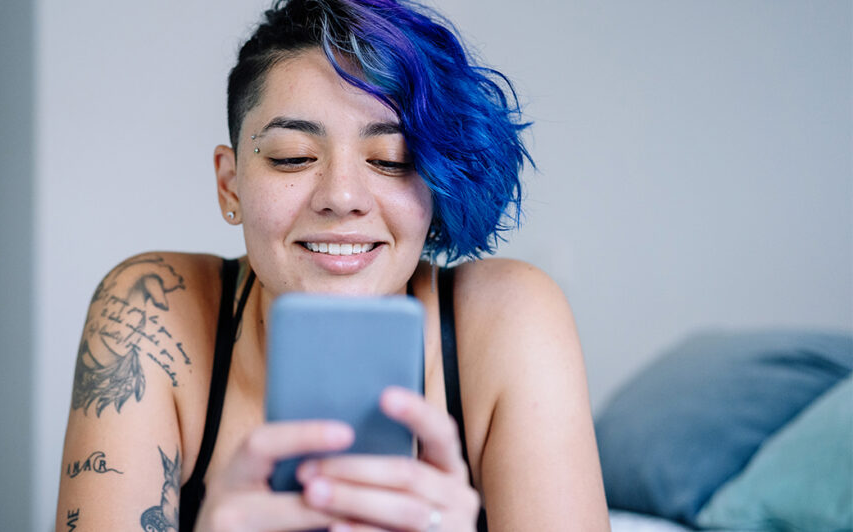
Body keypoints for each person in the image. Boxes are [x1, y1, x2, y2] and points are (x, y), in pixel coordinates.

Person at [56, 0, 610, 530]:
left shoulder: (511, 319)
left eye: (392, 160)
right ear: (231, 185)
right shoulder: (150, 313)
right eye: (292, 157)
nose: (342, 196)